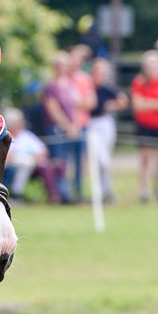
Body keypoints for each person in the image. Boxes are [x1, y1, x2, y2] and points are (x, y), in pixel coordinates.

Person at [3, 108, 66, 203]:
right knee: (26, 163)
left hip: (32, 165)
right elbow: (6, 156)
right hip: (11, 167)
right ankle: (16, 194)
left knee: (47, 166)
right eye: (19, 121)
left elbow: (43, 151)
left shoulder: (27, 135)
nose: (22, 123)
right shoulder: (5, 136)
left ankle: (55, 195)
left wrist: (31, 158)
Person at [87, 58, 128, 203]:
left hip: (104, 122)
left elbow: (123, 100)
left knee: (105, 159)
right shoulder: (88, 86)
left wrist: (113, 105)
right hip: (91, 123)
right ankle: (100, 191)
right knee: (97, 159)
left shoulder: (107, 88)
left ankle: (106, 191)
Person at [41, 51, 80, 203]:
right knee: (58, 162)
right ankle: (58, 194)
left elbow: (75, 107)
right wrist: (67, 125)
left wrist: (75, 124)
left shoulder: (69, 84)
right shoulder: (51, 86)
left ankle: (68, 192)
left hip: (69, 129)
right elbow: (53, 108)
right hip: (56, 129)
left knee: (67, 162)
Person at [130, 50, 158, 201]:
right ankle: (144, 189)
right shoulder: (139, 82)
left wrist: (147, 103)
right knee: (145, 158)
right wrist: (154, 104)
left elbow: (143, 104)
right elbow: (137, 105)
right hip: (144, 126)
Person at [68, 44, 96, 201]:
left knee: (80, 161)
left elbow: (91, 103)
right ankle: (64, 193)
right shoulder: (63, 79)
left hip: (82, 124)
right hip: (65, 127)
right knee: (64, 161)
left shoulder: (85, 79)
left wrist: (74, 102)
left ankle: (78, 192)